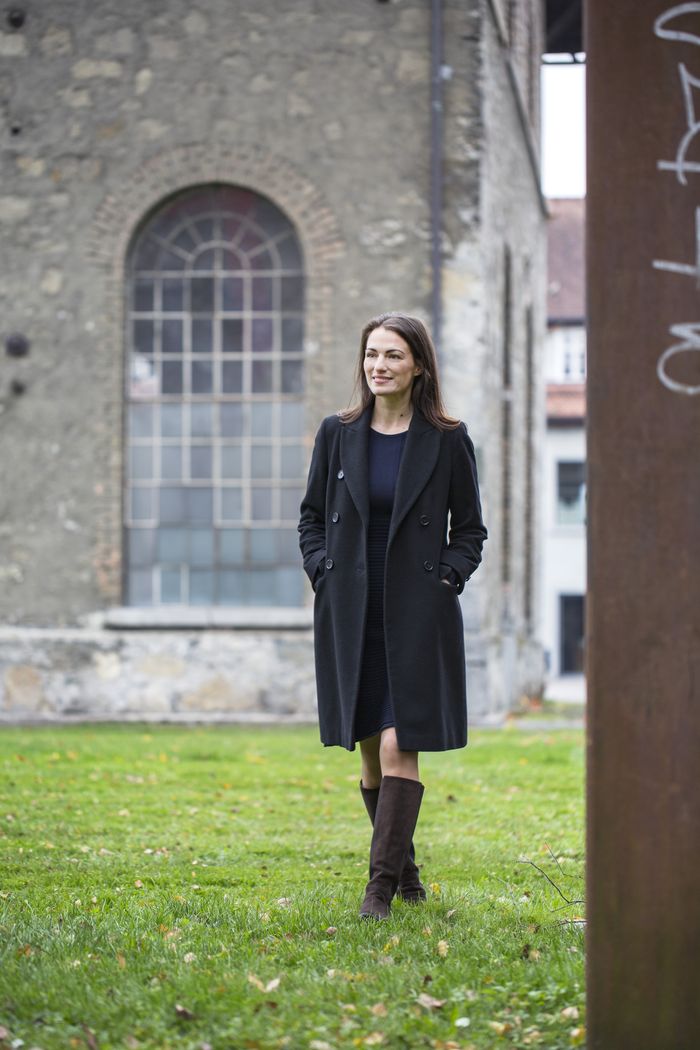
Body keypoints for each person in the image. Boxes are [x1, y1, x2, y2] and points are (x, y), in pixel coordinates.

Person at [298, 312, 487, 920]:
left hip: (416, 613)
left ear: (419, 366)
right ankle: (407, 877)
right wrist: (323, 570)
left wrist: (446, 579)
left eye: (393, 355)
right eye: (372, 354)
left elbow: (471, 530)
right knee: (368, 750)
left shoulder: (447, 439)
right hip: (351, 612)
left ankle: (377, 892)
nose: (379, 366)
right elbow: (310, 518)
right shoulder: (337, 433)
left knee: (399, 740)